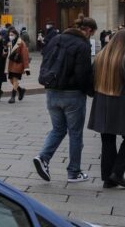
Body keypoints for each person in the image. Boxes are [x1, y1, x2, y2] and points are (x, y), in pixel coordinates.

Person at [33, 14, 96, 184]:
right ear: (88, 30)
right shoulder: (82, 44)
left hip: (52, 92)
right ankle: (74, 172)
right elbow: (82, 74)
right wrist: (91, 91)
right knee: (75, 134)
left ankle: (43, 158)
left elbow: (44, 61)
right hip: (72, 95)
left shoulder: (56, 38)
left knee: (58, 129)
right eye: (92, 33)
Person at [88, 30, 125, 189]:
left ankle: (108, 178)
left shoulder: (100, 57)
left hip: (101, 101)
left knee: (107, 139)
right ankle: (117, 173)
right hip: (120, 102)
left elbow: (90, 80)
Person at [5, 27, 30, 104]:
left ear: (16, 35)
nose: (10, 36)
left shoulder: (21, 43)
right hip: (11, 64)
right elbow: (7, 54)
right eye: (9, 35)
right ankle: (21, 90)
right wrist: (4, 52)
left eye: (12, 35)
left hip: (18, 64)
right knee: (11, 80)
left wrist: (26, 68)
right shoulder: (10, 43)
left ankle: (13, 96)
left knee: (15, 79)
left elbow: (25, 55)